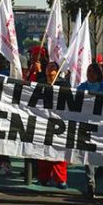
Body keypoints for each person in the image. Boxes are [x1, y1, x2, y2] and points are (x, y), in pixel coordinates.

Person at [78, 63, 103, 202]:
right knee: (88, 159)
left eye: (92, 71)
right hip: (87, 127)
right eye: (88, 71)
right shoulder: (83, 86)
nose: (90, 74)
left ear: (98, 74)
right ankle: (91, 187)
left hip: (102, 128)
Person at [37, 61, 70, 189]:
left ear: (58, 71)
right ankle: (44, 177)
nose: (50, 69)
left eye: (53, 67)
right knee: (42, 150)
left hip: (58, 121)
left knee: (59, 150)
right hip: (43, 120)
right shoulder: (40, 83)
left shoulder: (63, 84)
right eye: (48, 66)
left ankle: (60, 179)